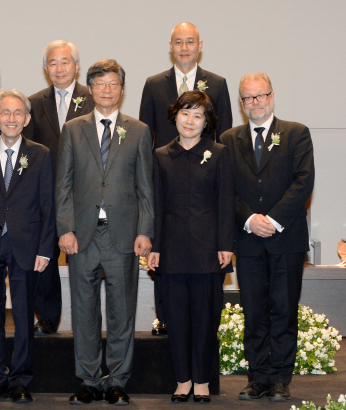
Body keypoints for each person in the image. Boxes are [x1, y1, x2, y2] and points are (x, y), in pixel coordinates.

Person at [55, 59, 154, 406]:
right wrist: (64, 228)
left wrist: (145, 230)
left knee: (121, 311)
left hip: (123, 234)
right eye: (100, 84)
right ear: (90, 89)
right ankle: (88, 380)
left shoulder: (138, 130)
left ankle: (117, 381)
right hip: (81, 235)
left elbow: (145, 187)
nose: (107, 90)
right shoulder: (72, 128)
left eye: (113, 84)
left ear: (122, 90)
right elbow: (63, 185)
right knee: (83, 310)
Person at [220, 73, 314, 402]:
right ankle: (257, 377)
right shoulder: (229, 139)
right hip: (247, 241)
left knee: (284, 310)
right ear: (241, 104)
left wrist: (271, 220)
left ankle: (280, 379)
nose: (255, 102)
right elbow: (224, 189)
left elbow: (303, 182)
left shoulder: (296, 133)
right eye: (248, 98)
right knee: (254, 311)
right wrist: (249, 219)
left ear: (272, 97)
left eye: (260, 96)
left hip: (285, 239)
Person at [139, 21, 233, 336]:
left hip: (204, 178)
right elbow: (144, 135)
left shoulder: (217, 84)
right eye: (178, 41)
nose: (184, 47)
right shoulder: (153, 84)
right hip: (165, 176)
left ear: (199, 44)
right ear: (171, 45)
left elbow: (226, 135)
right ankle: (164, 318)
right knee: (164, 253)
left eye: (189, 41)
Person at [0, 90, 56, 404]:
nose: (12, 118)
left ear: (27, 119)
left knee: (22, 315)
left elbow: (48, 205)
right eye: (5, 113)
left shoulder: (41, 153)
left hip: (27, 245)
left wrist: (46, 249)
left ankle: (20, 380)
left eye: (18, 113)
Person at [147, 90, 234, 403]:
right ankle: (182, 379)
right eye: (185, 113)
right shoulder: (160, 155)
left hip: (209, 252)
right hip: (170, 252)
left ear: (206, 121)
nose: (190, 120)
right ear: (175, 115)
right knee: (177, 320)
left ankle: (202, 381)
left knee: (206, 320)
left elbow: (226, 202)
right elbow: (155, 205)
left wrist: (226, 244)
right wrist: (154, 246)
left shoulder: (220, 153)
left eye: (198, 115)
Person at [23, 40, 93, 335]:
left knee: (84, 260)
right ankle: (48, 317)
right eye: (53, 63)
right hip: (46, 196)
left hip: (86, 196)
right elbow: (26, 152)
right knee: (46, 258)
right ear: (45, 69)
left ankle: (86, 321)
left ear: (77, 66)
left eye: (65, 61)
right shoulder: (33, 102)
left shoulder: (94, 99)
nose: (59, 68)